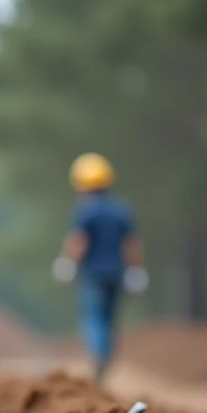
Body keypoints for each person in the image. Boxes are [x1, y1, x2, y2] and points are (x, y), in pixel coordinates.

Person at [51, 152, 147, 383]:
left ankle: (100, 356)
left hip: (93, 274)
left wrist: (67, 262)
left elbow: (79, 242)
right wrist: (136, 269)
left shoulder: (85, 211)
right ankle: (107, 355)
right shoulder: (121, 209)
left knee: (93, 318)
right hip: (117, 273)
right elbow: (131, 243)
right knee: (110, 318)